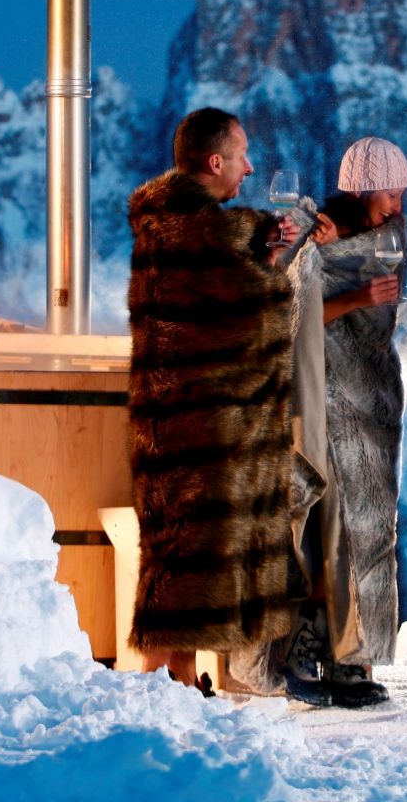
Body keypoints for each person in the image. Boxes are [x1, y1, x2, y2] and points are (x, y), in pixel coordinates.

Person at [125, 106, 301, 690]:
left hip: (172, 421)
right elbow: (253, 320)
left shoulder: (166, 224)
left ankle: (177, 678)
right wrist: (274, 273)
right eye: (243, 155)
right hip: (201, 425)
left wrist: (256, 248)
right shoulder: (198, 233)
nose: (250, 168)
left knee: (179, 553)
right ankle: (160, 686)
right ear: (215, 160)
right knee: (193, 555)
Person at [234, 136, 407, 708]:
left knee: (361, 534)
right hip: (317, 397)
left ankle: (350, 657)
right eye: (389, 192)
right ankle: (303, 650)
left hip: (367, 403)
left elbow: (376, 303)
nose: (397, 204)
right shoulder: (312, 234)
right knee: (318, 532)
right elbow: (295, 309)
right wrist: (351, 288)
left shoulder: (379, 238)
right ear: (362, 189)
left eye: (402, 192)